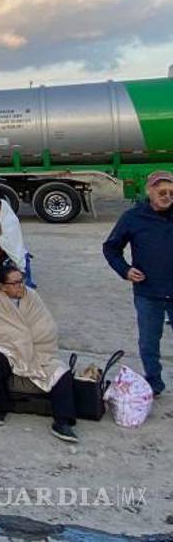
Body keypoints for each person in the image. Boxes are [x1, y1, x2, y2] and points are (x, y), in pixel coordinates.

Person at [0, 263, 78, 442]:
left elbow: (47, 327)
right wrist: (17, 340)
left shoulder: (32, 296)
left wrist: (25, 339)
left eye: (21, 281)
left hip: (35, 351)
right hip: (7, 350)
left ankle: (63, 422)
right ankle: (1, 406)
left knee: (62, 373)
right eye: (14, 283)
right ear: (2, 286)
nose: (20, 286)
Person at [102, 169, 173, 397]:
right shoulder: (133, 217)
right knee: (149, 344)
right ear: (149, 191)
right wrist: (125, 270)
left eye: (172, 192)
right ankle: (154, 383)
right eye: (162, 191)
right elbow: (111, 247)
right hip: (148, 292)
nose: (167, 196)